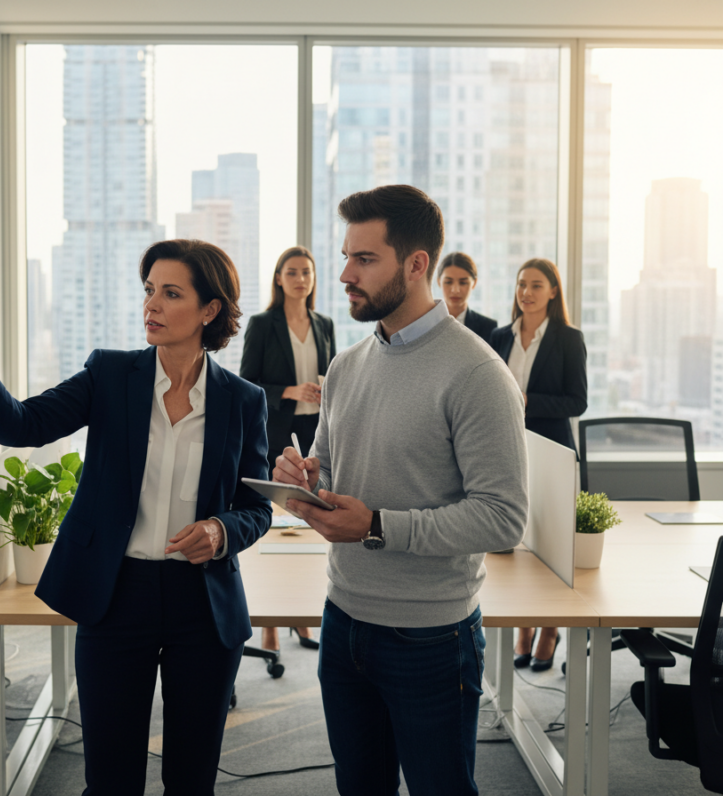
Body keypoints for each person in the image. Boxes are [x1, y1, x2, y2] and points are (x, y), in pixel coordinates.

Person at [0, 239, 272, 796]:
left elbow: (257, 507)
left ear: (209, 311)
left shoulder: (243, 400)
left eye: (171, 293)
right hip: (118, 595)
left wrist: (221, 531)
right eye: (149, 291)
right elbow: (23, 425)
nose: (151, 306)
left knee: (193, 777)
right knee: (110, 776)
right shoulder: (111, 375)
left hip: (202, 604)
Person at [273, 184, 528, 796]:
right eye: (345, 257)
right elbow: (334, 472)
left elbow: (503, 518)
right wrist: (307, 481)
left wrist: (379, 525)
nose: (342, 275)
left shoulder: (478, 373)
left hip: (431, 637)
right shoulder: (347, 366)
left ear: (417, 265)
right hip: (343, 620)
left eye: (364, 260)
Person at [490, 258, 587, 672]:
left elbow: (577, 401)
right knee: (514, 543)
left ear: (552, 291)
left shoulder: (568, 338)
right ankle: (523, 627)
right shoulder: (499, 336)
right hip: (508, 450)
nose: (526, 292)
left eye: (535, 285)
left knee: (549, 545)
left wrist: (528, 401)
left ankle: (549, 629)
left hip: (551, 452)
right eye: (521, 285)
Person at [240, 245, 336, 655]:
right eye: (292, 272)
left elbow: (334, 375)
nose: (300, 279)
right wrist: (290, 392)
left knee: (308, 525)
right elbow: (247, 383)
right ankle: (270, 623)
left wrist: (324, 389)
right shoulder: (263, 324)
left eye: (307, 272)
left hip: (316, 430)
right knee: (276, 524)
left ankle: (299, 614)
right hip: (278, 432)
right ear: (279, 278)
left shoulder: (325, 323)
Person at [438, 251, 498, 342]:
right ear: (439, 282)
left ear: (474, 283)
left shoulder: (488, 327)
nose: (455, 290)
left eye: (463, 283)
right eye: (448, 282)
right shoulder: (427, 323)